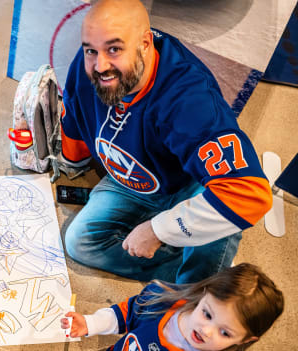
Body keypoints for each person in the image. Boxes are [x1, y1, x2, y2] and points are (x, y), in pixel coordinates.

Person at [61, 0, 273, 283]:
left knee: (224, 217)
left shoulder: (191, 100)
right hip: (127, 179)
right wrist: (71, 160)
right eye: (91, 50)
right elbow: (74, 117)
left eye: (114, 49)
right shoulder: (86, 65)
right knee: (79, 242)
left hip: (187, 184)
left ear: (145, 44)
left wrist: (156, 231)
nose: (100, 65)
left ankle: (200, 278)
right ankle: (192, 273)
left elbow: (251, 195)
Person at [61, 263, 284, 351]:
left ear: (245, 340)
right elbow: (129, 313)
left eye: (225, 332)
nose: (206, 331)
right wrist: (92, 323)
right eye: (207, 314)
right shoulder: (160, 298)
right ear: (204, 294)